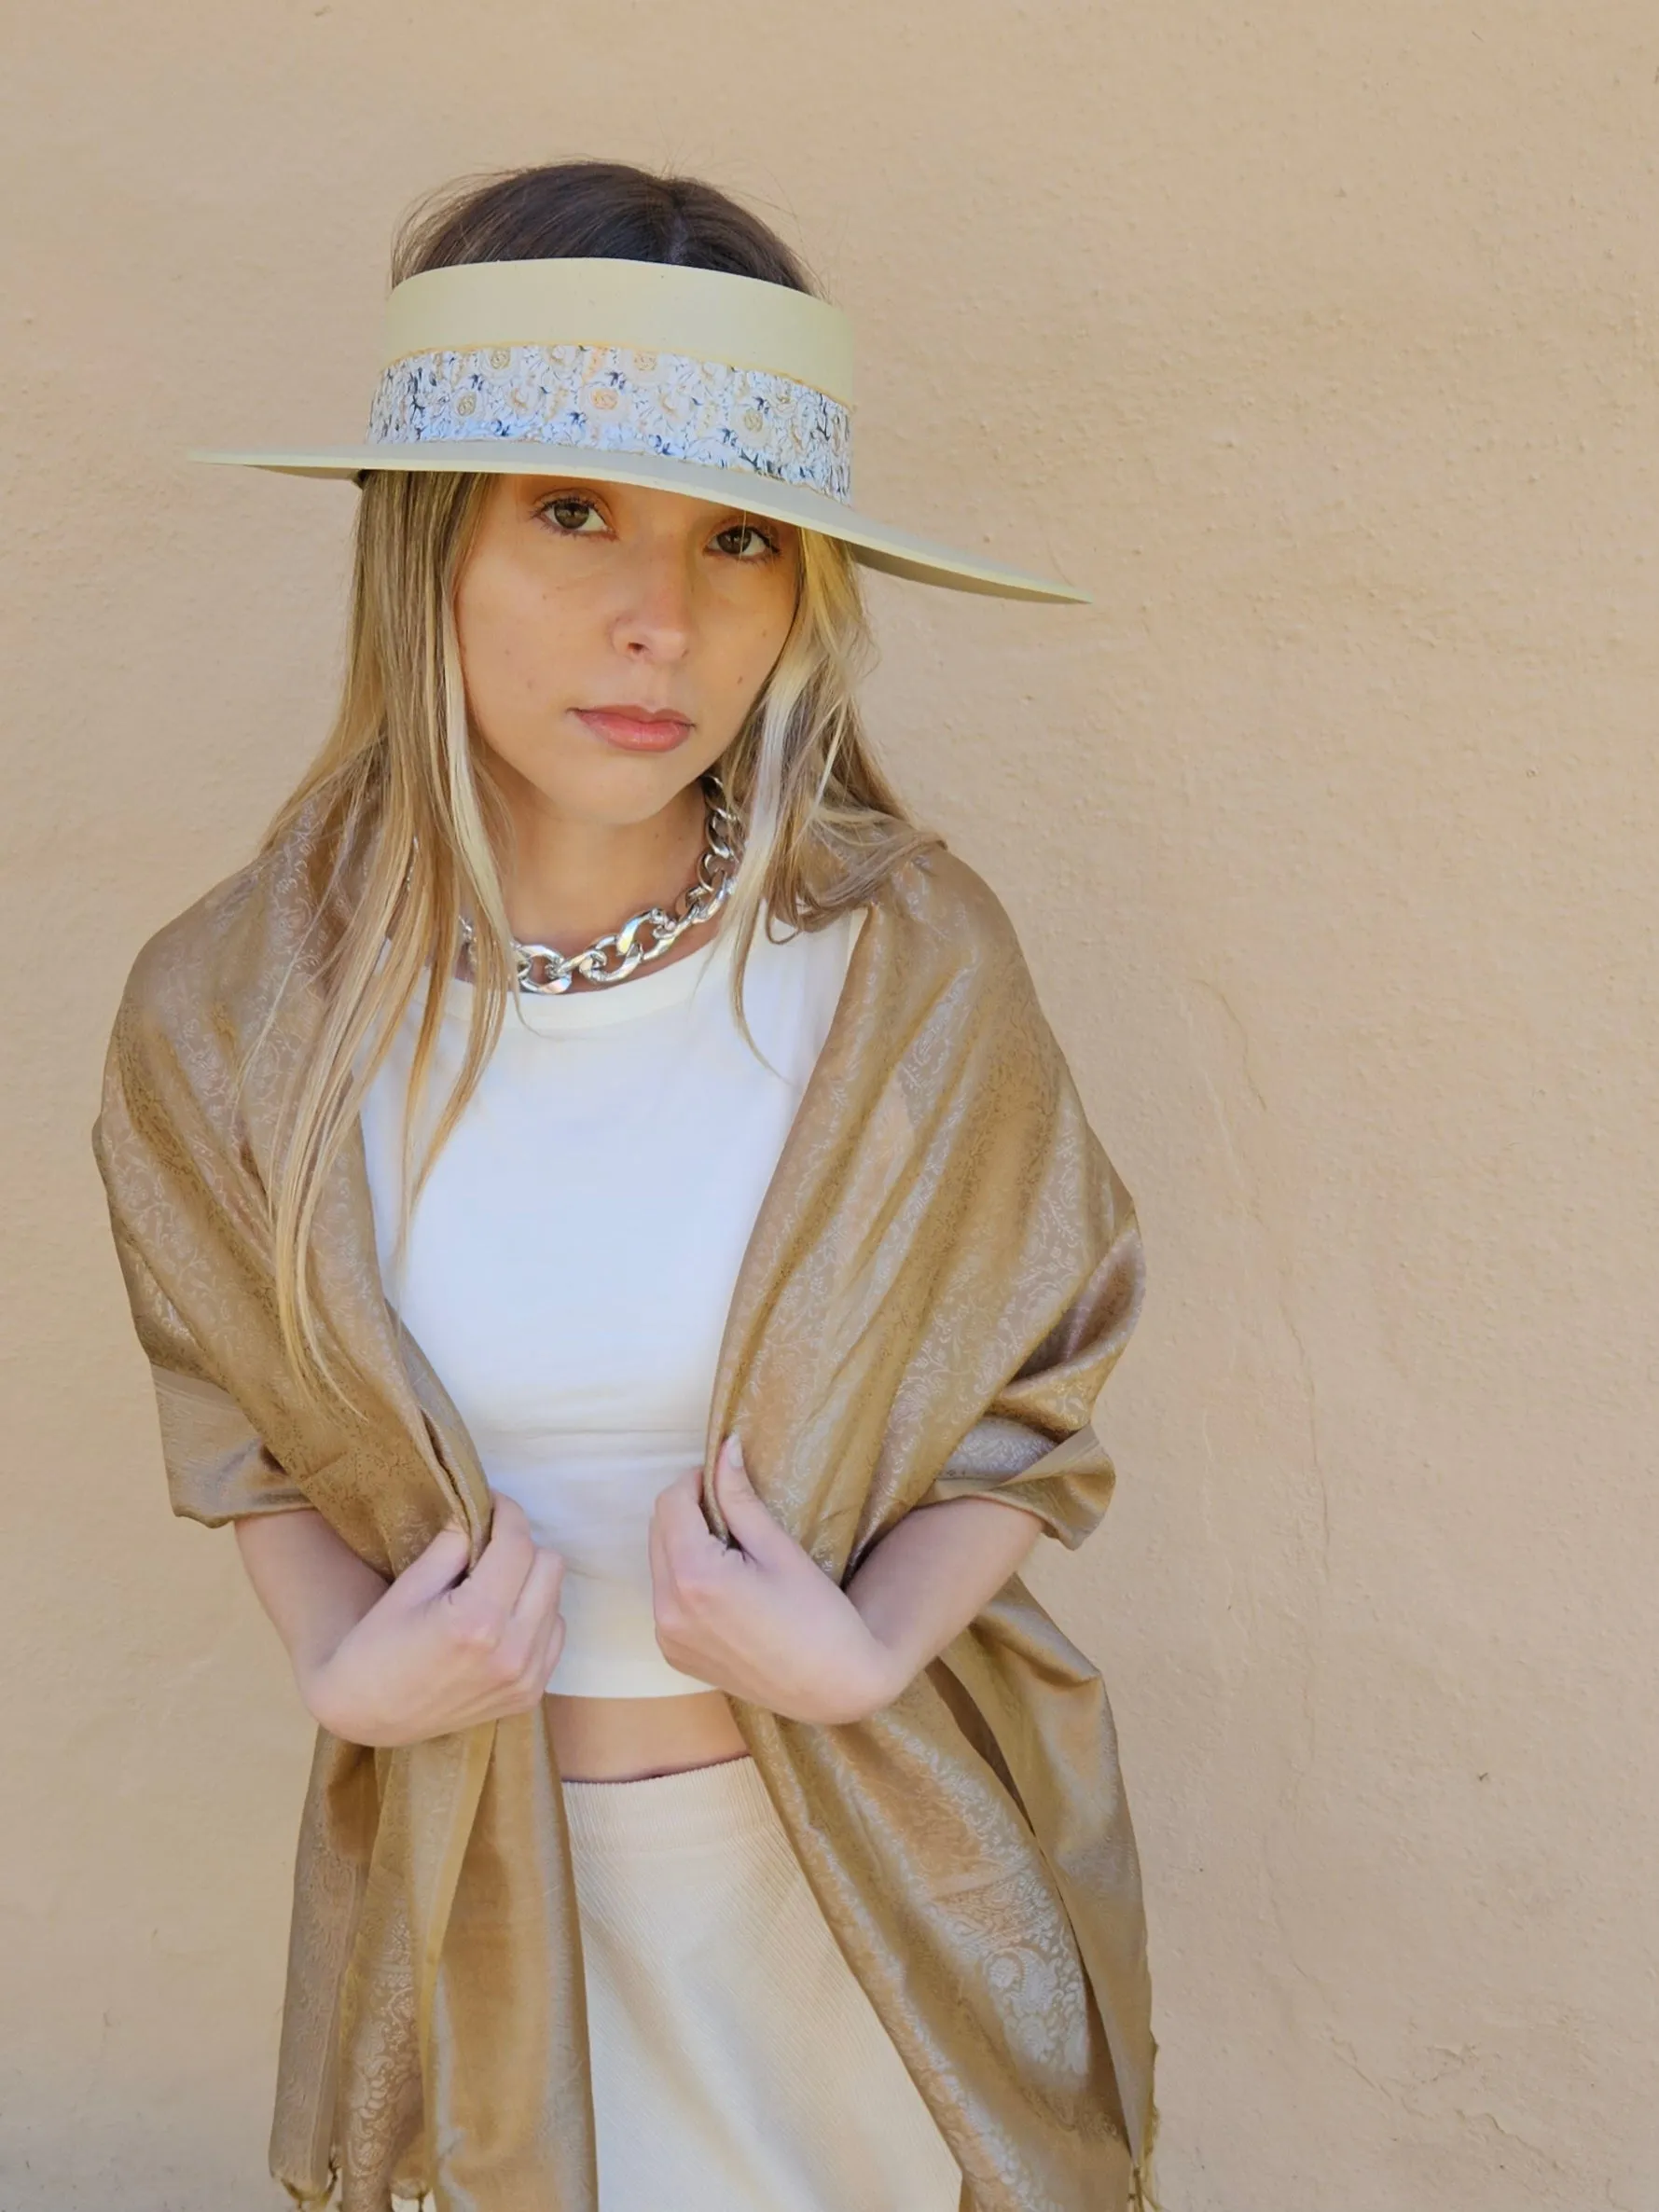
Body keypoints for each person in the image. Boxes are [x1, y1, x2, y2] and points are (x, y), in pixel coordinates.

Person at [92, 160, 1162, 2212]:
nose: (659, 622)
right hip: (476, 1933)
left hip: (871, 1924)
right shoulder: (228, 1023)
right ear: (428, 539)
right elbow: (241, 1425)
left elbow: (1035, 1388)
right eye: (569, 509)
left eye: (738, 540)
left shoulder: (904, 970)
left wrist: (863, 1652)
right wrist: (341, 1664)